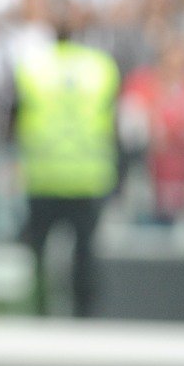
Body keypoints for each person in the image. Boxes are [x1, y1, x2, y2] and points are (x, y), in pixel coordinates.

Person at [13, 25, 120, 316]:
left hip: (43, 175)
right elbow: (113, 120)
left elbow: (16, 115)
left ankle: (39, 312)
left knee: (38, 253)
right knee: (85, 254)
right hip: (88, 176)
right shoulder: (100, 67)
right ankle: (84, 316)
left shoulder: (33, 68)